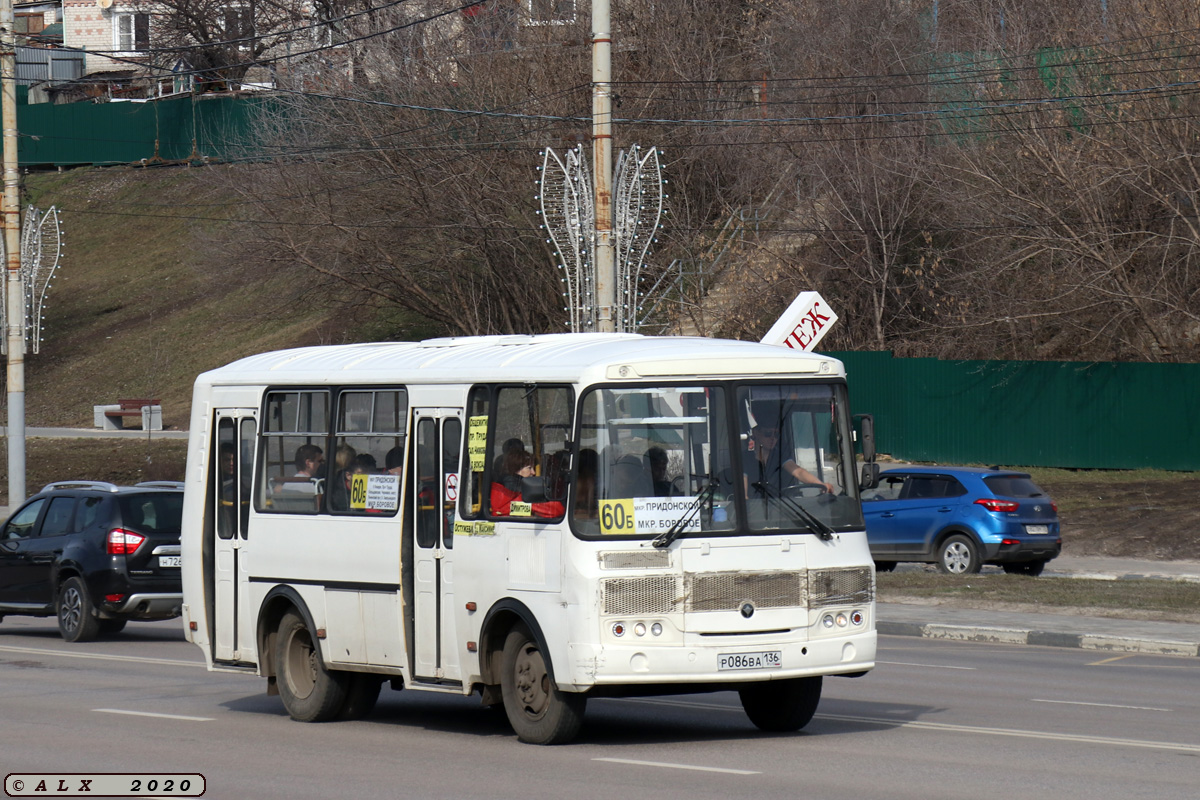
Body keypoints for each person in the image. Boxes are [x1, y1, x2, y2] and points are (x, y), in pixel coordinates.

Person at [743, 424, 834, 497]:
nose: (773, 438)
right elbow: (744, 495)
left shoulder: (780, 455)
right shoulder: (745, 459)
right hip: (755, 511)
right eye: (768, 433)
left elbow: (798, 471)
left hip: (782, 508)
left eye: (776, 435)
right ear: (755, 433)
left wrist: (821, 484)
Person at [490, 448, 564, 518]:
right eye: (529, 468)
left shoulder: (504, 490)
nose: (533, 472)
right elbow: (555, 510)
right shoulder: (505, 493)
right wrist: (531, 507)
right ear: (515, 469)